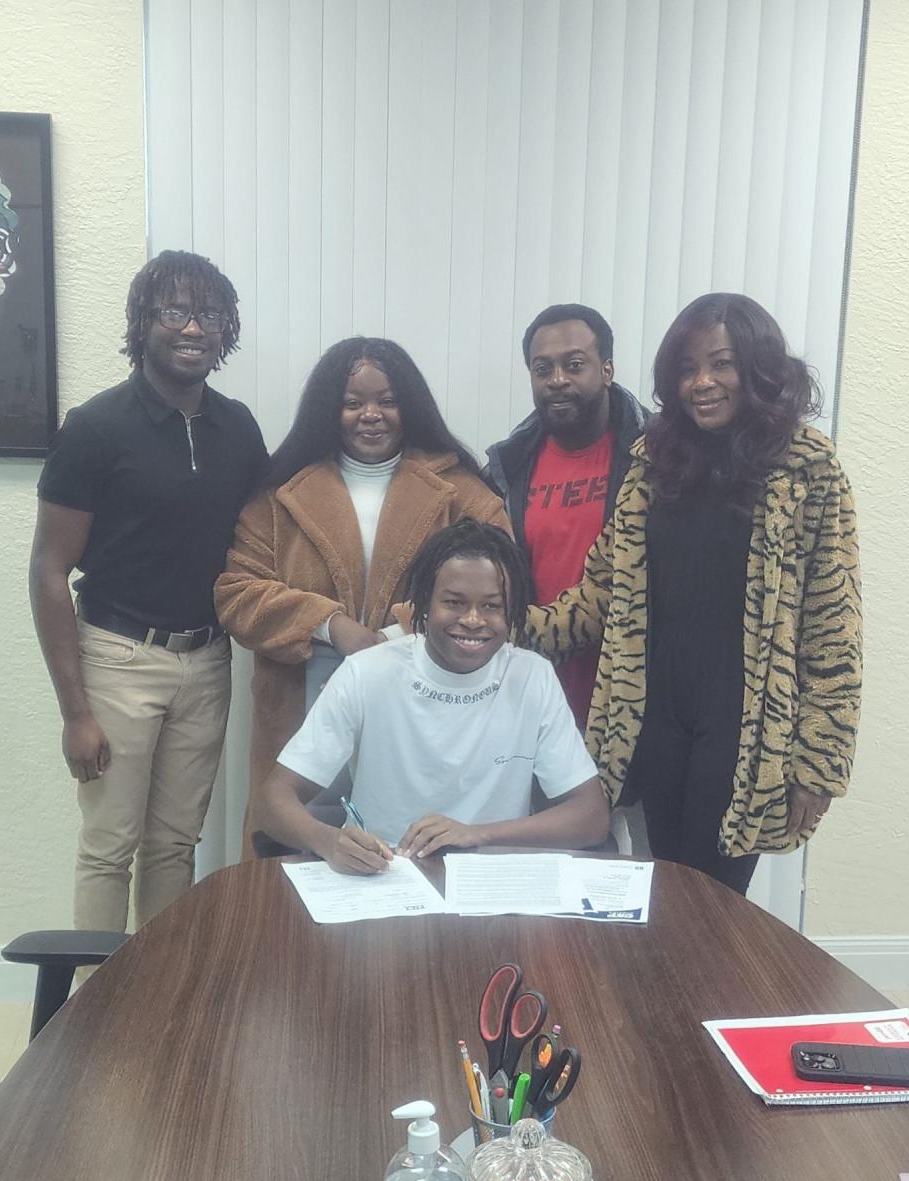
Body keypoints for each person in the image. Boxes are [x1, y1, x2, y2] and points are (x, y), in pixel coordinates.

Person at [525, 293, 862, 894]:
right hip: (654, 715)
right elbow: (600, 590)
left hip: (743, 725)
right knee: (665, 890)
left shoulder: (808, 467)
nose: (702, 382)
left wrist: (819, 766)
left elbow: (832, 628)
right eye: (687, 368)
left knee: (714, 903)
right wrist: (499, 628)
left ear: (758, 369)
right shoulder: (654, 462)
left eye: (721, 364)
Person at [30, 250, 267, 934]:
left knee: (174, 846)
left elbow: (266, 535)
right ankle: (97, 1020)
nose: (195, 327)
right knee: (110, 849)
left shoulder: (238, 428)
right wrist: (75, 713)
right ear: (144, 321)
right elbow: (48, 571)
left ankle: (157, 1004)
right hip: (117, 659)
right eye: (176, 311)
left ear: (226, 330)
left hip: (207, 662)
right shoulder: (96, 428)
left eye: (211, 314)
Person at [214, 337, 511, 856]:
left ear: (409, 406)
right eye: (353, 403)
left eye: (387, 401)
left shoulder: (459, 491)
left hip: (424, 702)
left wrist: (398, 634)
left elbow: (503, 579)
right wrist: (332, 625)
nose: (370, 415)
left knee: (408, 857)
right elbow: (237, 592)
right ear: (330, 409)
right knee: (295, 861)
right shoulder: (282, 493)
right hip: (299, 702)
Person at [262, 520, 610, 872]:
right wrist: (329, 843)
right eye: (455, 603)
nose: (473, 620)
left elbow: (591, 816)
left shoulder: (532, 676)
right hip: (384, 877)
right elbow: (275, 800)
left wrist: (477, 835)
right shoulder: (366, 672)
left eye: (492, 606)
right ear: (423, 605)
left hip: (491, 884)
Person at [485, 303, 648, 729]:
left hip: (627, 704)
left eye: (574, 365)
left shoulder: (657, 460)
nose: (557, 380)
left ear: (607, 370)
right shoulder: (507, 468)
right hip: (526, 699)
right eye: (543, 369)